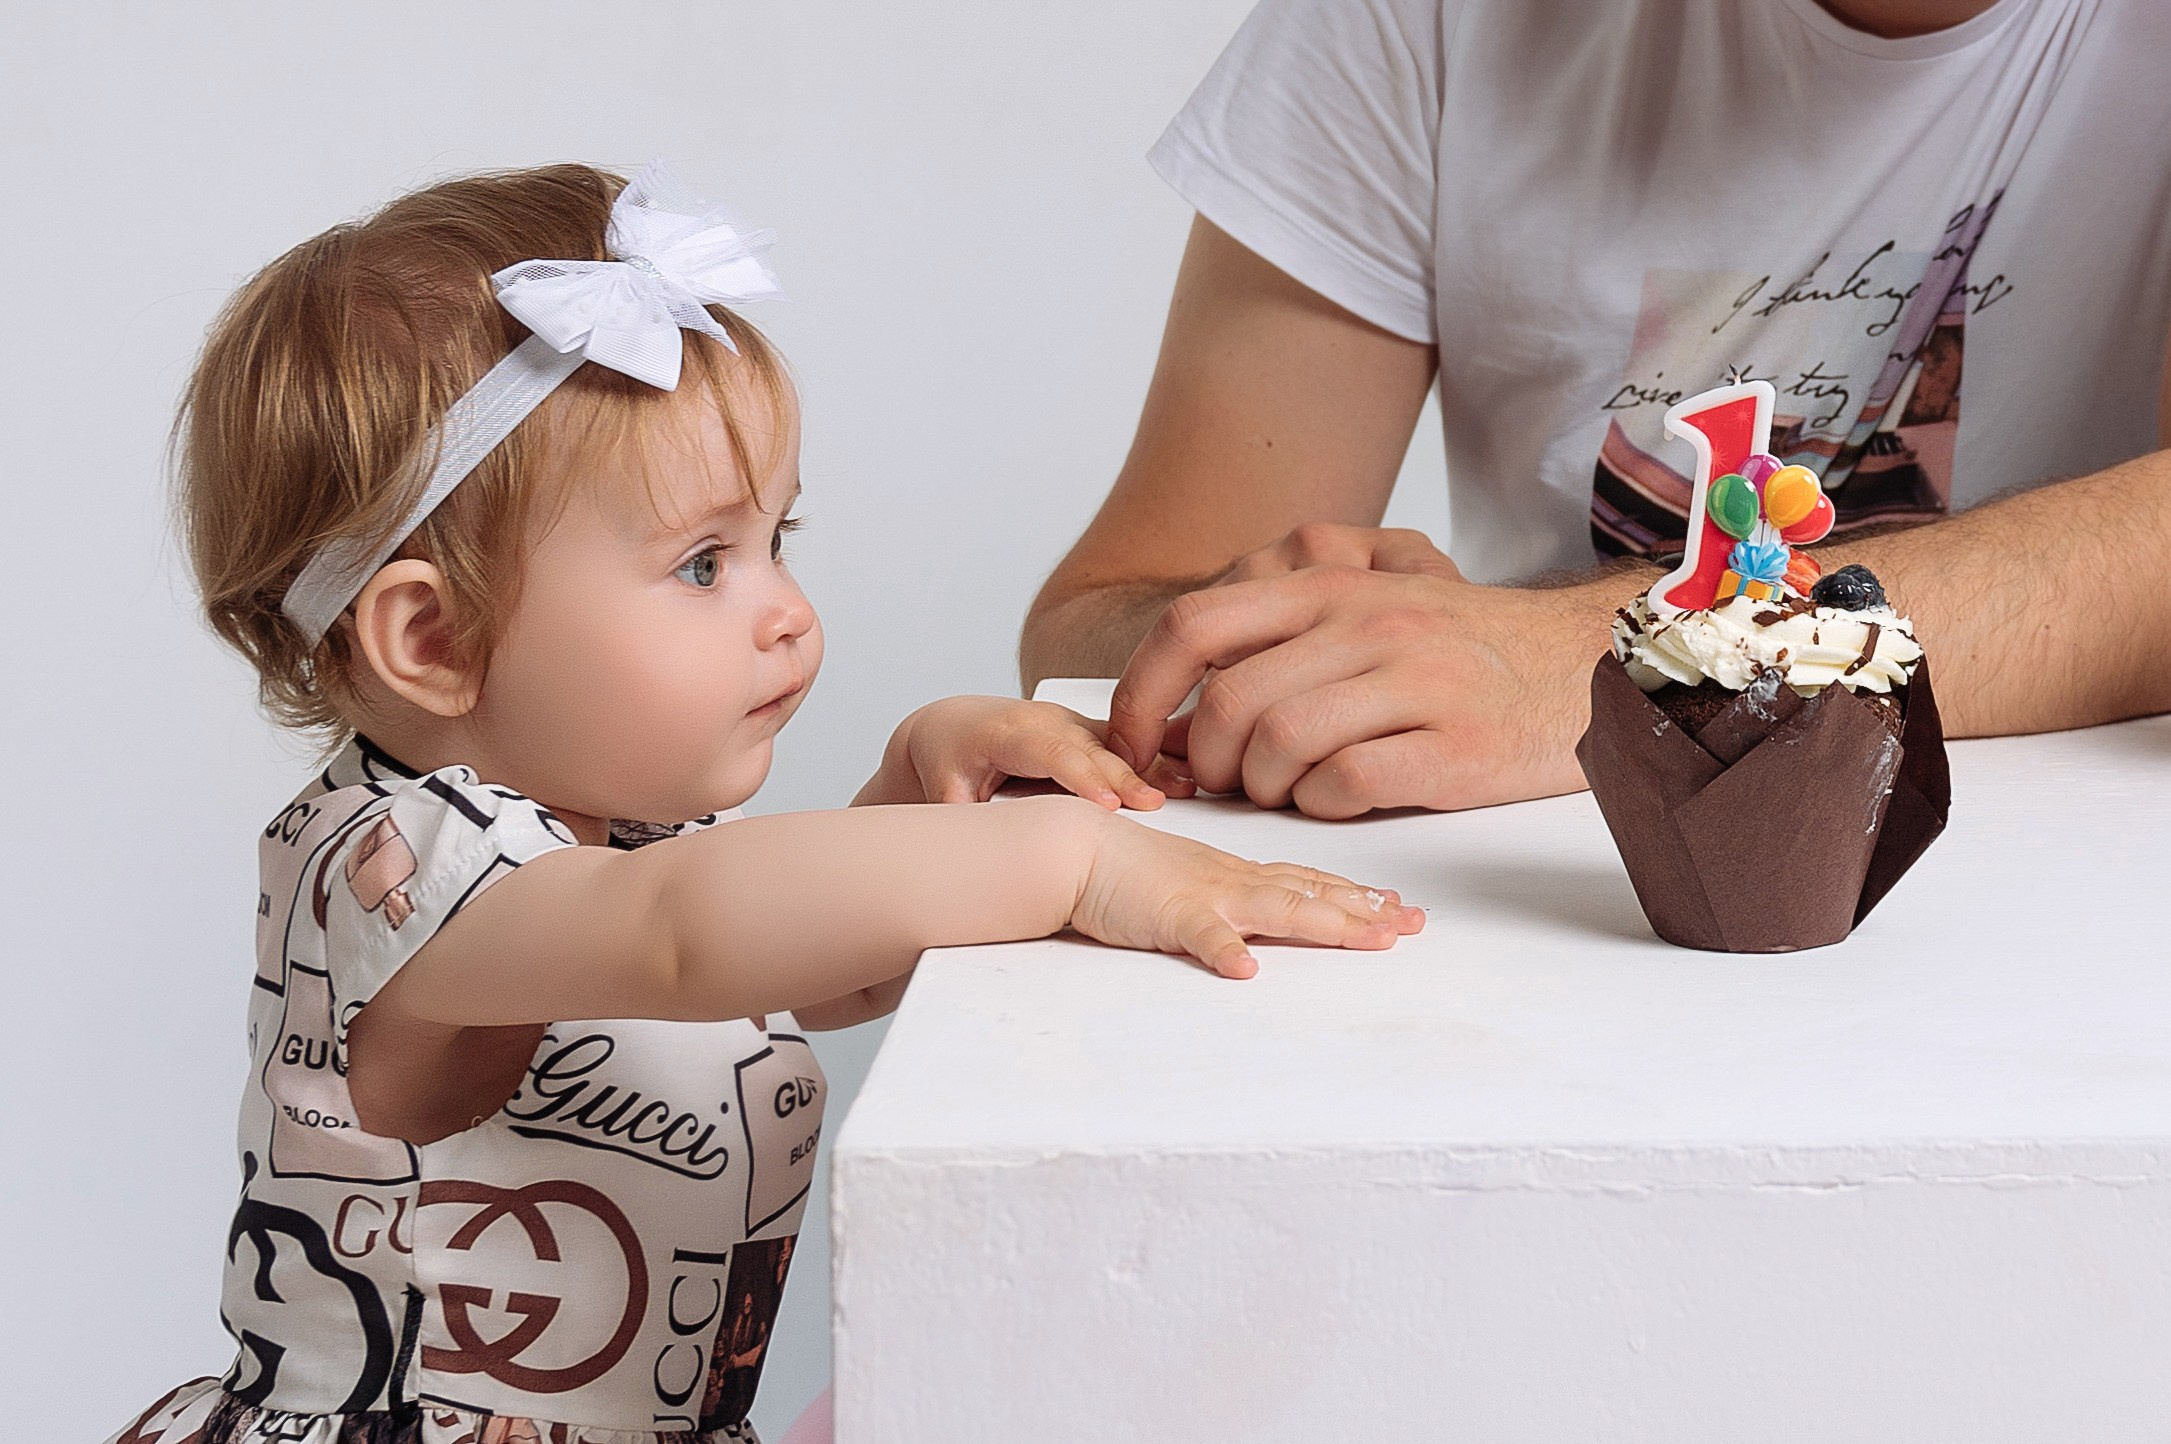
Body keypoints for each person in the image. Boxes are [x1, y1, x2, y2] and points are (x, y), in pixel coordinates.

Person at [106, 163, 1422, 1444]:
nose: (784, 613)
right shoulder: (391, 871)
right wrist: (1064, 858)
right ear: (433, 640)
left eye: (774, 543)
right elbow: (684, 933)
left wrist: (919, 784)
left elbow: (784, 970)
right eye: (700, 565)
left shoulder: (614, 837)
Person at [1023, 0, 2171, 819]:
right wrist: (1317, 643)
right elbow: (1095, 629)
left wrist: (1596, 660)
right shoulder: (1414, 21)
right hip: (1542, 901)